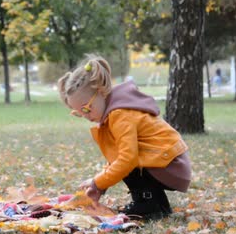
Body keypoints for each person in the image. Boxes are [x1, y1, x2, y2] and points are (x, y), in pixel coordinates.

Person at [57, 55, 192, 220]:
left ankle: (148, 203)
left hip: (171, 165)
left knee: (128, 162)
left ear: (101, 92)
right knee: (126, 162)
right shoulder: (113, 112)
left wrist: (98, 182)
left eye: (86, 109)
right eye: (78, 113)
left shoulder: (120, 114)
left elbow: (127, 159)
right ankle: (158, 203)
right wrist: (98, 183)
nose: (85, 116)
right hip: (167, 162)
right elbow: (118, 158)